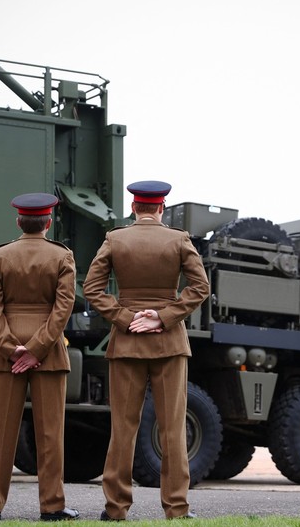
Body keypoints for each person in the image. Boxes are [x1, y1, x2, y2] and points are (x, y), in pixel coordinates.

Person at [83, 180, 210, 521]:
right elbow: (200, 287)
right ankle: (177, 509)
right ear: (161, 208)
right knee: (171, 428)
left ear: (134, 208)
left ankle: (115, 508)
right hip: (169, 343)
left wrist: (125, 318)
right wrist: (163, 316)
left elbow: (92, 288)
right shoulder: (179, 239)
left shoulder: (115, 239)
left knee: (123, 428)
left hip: (126, 343)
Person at [0, 192, 79, 521]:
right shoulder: (62, 257)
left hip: (6, 355)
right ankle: (52, 506)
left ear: (18, 221)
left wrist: (11, 347)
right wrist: (37, 349)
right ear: (48, 223)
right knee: (50, 434)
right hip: (49, 354)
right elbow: (63, 309)